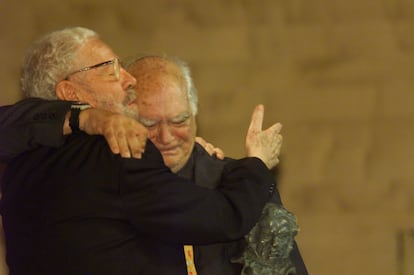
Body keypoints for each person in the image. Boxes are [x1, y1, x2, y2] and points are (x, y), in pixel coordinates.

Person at [0, 27, 283, 274]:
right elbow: (225, 217)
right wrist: (256, 163)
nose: (128, 79)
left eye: (179, 120)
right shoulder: (117, 154)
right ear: (71, 93)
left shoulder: (18, 163)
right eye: (110, 70)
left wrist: (81, 118)